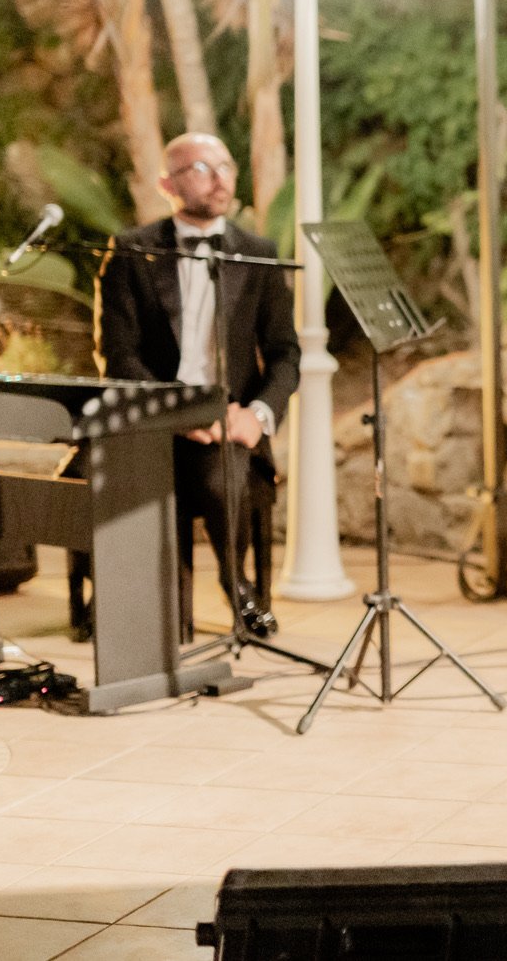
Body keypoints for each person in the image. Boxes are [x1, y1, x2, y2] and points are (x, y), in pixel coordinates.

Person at [92, 132, 299, 639]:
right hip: (156, 419)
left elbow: (284, 353)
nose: (221, 178)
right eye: (203, 169)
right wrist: (177, 414)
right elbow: (118, 356)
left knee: (220, 473)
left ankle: (234, 582)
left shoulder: (258, 253)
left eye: (225, 166)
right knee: (120, 476)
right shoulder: (131, 251)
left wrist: (258, 414)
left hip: (228, 419)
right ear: (168, 184)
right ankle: (170, 602)